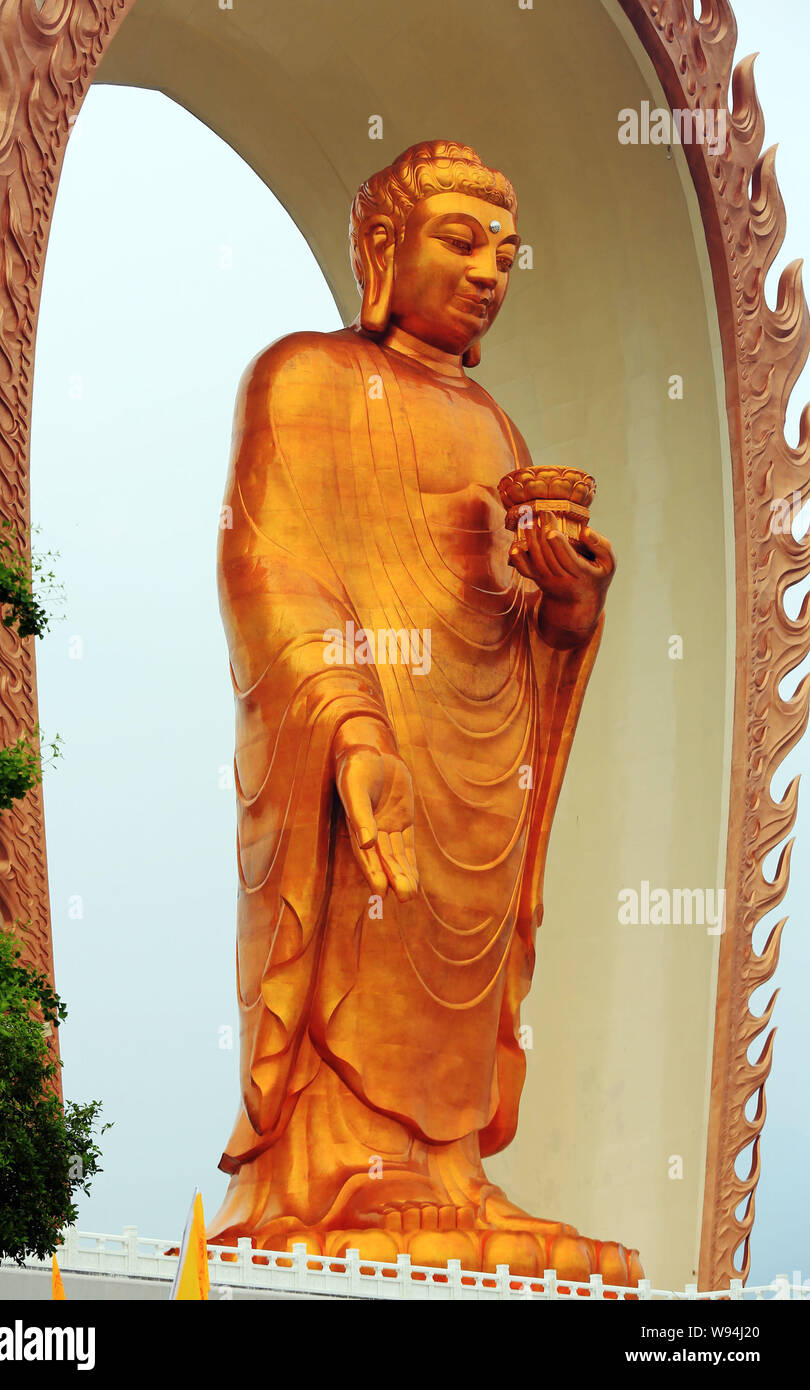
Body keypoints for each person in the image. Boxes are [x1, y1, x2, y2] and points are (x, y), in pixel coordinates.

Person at [207, 140, 640, 1283]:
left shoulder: (495, 428)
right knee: (365, 922)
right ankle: (339, 1174)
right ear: (380, 249)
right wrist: (349, 728)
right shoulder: (298, 378)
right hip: (364, 749)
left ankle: (448, 1173)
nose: (489, 269)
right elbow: (267, 570)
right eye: (458, 240)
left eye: (505, 252)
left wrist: (568, 608)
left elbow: (505, 614)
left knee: (460, 943)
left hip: (476, 752)